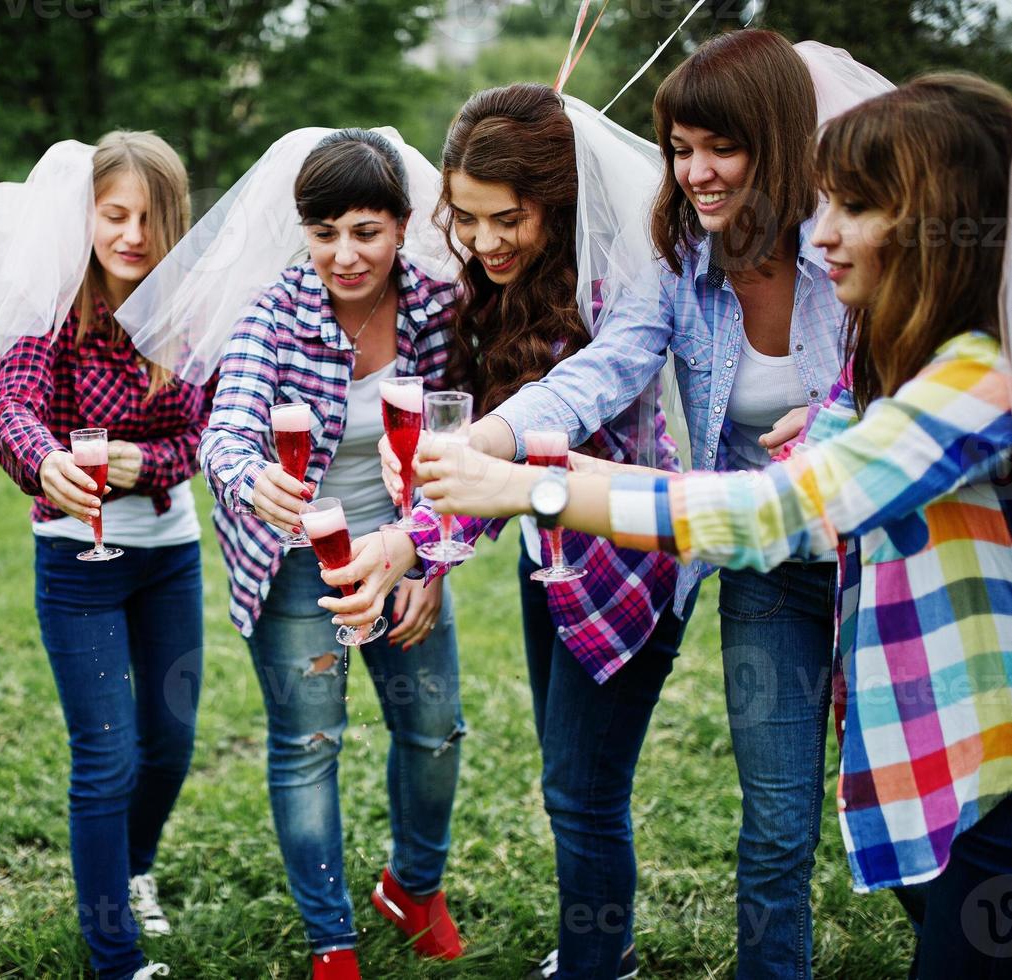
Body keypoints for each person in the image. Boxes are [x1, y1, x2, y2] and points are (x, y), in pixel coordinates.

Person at [403, 73, 1012, 980]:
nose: (827, 232)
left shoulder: (975, 383)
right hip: (956, 759)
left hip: (988, 771)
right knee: (797, 831)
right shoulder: (888, 370)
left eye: (854, 207)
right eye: (827, 202)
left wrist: (531, 491)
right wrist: (524, 464)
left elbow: (777, 508)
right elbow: (666, 415)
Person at [347, 82, 694, 980]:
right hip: (553, 562)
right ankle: (598, 947)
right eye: (466, 219)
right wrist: (428, 546)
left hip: (628, 563)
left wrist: (441, 508)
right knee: (570, 785)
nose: (484, 241)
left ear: (559, 203)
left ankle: (593, 964)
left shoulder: (620, 292)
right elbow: (488, 483)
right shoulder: (501, 287)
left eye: (507, 219)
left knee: (582, 793)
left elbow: (553, 419)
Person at [182, 128, 464, 980]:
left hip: (404, 544)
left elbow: (459, 436)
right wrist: (249, 478)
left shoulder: (437, 307)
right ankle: (329, 937)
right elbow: (226, 426)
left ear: (403, 225)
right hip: (296, 558)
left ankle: (413, 886)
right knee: (308, 742)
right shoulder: (271, 311)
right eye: (324, 231)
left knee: (434, 729)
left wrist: (430, 561)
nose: (344, 254)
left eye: (366, 231)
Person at [0, 131, 206, 980]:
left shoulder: (188, 313)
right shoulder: (50, 307)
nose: (132, 236)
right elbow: (12, 411)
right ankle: (115, 955)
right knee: (104, 756)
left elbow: (207, 433)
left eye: (150, 218)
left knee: (171, 743)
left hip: (167, 552)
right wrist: (47, 463)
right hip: (76, 562)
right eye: (114, 215)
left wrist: (146, 463)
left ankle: (132, 868)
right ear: (87, 216)